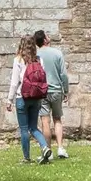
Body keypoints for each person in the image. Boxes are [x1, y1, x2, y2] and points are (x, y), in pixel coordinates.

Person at [5, 35, 51, 164]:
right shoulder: (39, 60)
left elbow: (14, 82)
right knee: (34, 127)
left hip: (22, 98)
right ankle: (45, 147)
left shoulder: (18, 60)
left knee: (24, 129)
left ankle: (26, 158)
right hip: (36, 98)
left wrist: (9, 100)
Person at [34, 29, 70, 160]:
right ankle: (60, 148)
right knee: (57, 119)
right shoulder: (57, 53)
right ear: (45, 40)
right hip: (56, 90)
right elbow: (63, 75)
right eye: (47, 36)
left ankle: (47, 151)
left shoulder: (35, 55)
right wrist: (65, 90)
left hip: (42, 91)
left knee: (45, 121)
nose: (49, 37)